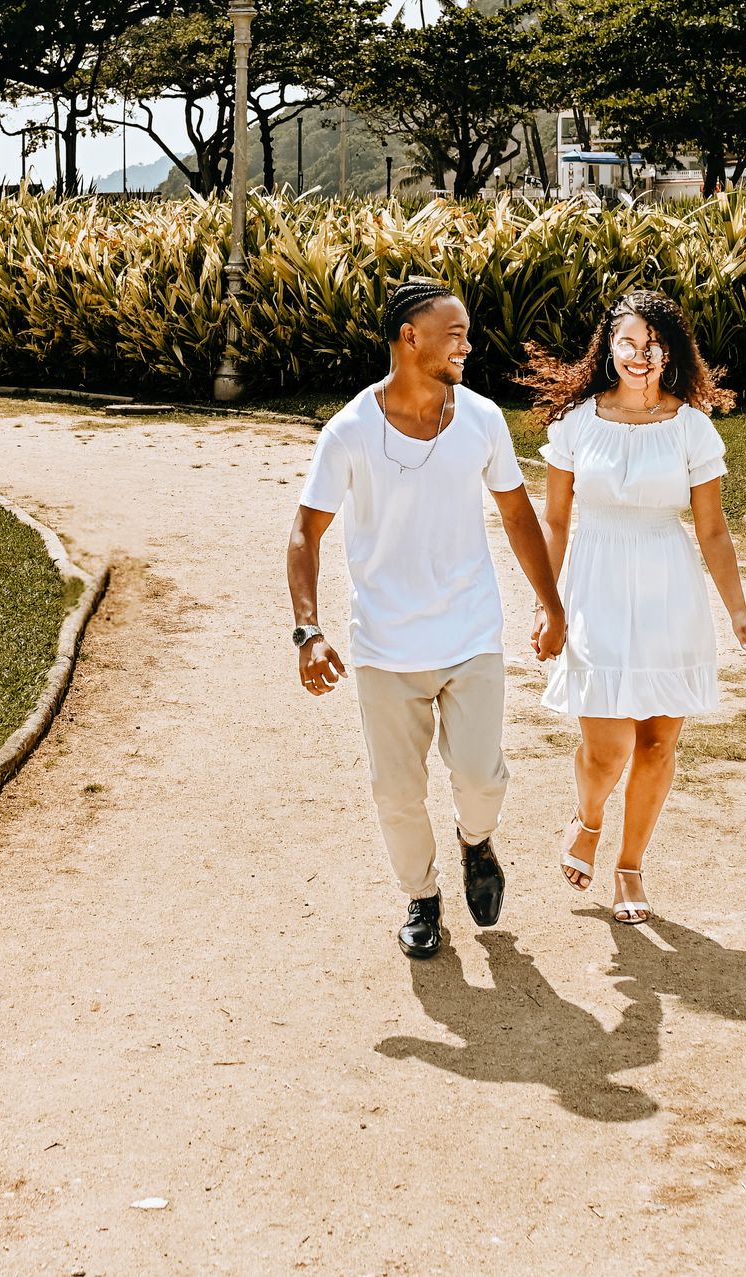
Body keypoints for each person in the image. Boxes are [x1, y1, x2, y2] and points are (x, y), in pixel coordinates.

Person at [287, 280, 564, 960]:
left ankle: (476, 841)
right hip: (385, 646)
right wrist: (308, 629)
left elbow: (517, 513)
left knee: (480, 775)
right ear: (410, 337)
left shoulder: (480, 419)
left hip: (469, 633)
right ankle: (422, 896)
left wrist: (552, 604)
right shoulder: (350, 430)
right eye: (455, 333)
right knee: (397, 792)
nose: (467, 345)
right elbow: (305, 532)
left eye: (467, 333)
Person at [520, 290, 746, 925]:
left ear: (669, 351)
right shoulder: (576, 423)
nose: (639, 354)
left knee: (657, 742)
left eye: (652, 343)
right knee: (607, 746)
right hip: (595, 586)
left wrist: (738, 613)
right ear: (610, 348)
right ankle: (589, 817)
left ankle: (630, 865)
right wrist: (547, 605)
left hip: (667, 588)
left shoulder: (692, 428)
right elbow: (555, 522)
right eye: (627, 342)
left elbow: (712, 531)